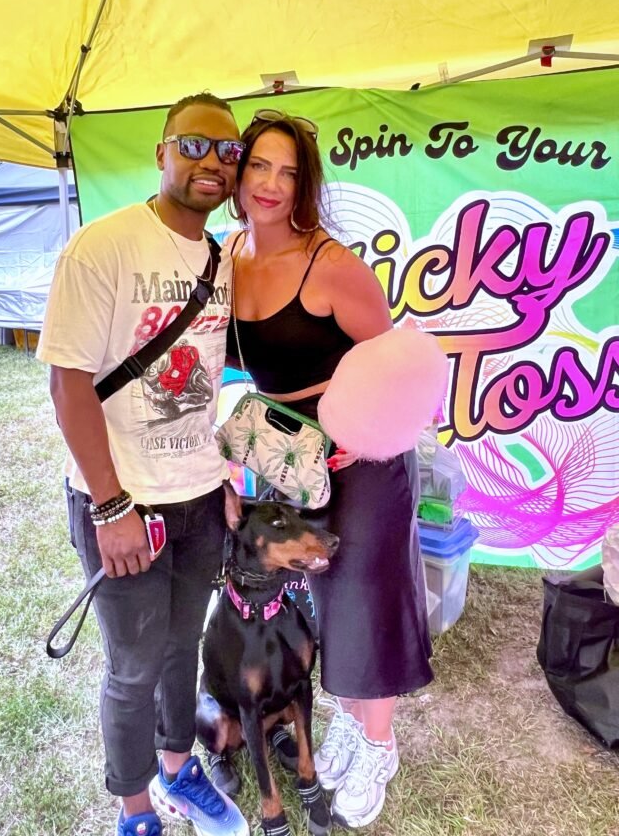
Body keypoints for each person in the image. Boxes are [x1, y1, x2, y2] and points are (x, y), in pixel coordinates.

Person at [37, 93, 249, 836]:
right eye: (195, 146)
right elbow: (66, 383)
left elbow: (208, 379)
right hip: (123, 504)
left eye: (228, 153)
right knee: (131, 666)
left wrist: (220, 472)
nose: (212, 164)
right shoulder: (104, 246)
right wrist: (110, 506)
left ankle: (174, 766)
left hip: (197, 498)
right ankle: (135, 811)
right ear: (161, 153)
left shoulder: (221, 260)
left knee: (181, 646)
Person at [225, 107, 433, 829]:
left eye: (288, 172)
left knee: (365, 602)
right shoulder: (231, 255)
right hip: (293, 463)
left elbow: (398, 370)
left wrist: (355, 434)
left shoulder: (331, 264)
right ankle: (349, 720)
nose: (271, 185)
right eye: (259, 166)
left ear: (306, 185)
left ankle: (379, 743)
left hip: (362, 462)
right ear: (239, 170)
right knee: (323, 603)